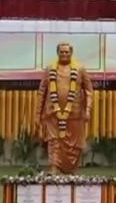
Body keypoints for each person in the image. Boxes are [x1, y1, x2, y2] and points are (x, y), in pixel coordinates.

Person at [37, 42, 94, 174]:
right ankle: (54, 168)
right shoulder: (50, 68)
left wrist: (88, 110)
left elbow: (89, 91)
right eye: (62, 52)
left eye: (67, 52)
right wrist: (37, 114)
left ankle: (71, 170)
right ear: (58, 53)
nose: (64, 54)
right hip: (52, 113)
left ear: (71, 53)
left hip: (75, 114)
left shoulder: (80, 69)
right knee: (54, 141)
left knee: (73, 145)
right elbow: (41, 92)